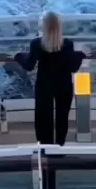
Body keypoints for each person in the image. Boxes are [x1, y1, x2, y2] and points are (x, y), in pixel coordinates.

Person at [14, 12, 86, 145]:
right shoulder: (68, 44)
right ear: (60, 26)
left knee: (43, 118)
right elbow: (73, 68)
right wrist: (80, 55)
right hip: (64, 85)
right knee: (62, 117)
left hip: (44, 85)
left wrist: (18, 56)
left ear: (44, 26)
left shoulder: (36, 44)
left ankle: (45, 147)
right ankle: (59, 147)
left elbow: (29, 65)